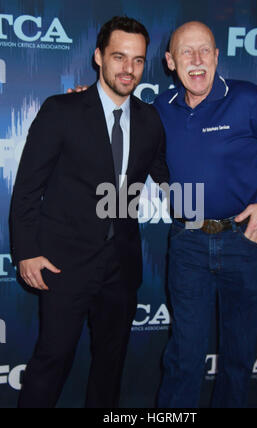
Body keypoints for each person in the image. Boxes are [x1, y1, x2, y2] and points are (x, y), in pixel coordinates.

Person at [10, 16, 168, 408]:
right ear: (98, 57)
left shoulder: (150, 120)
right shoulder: (61, 110)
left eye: (136, 60)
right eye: (118, 57)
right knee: (52, 361)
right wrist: (26, 251)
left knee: (110, 366)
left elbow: (170, 179)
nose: (128, 69)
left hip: (122, 266)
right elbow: (28, 187)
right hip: (64, 264)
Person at [153, 21, 257, 408]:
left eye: (205, 50)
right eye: (186, 51)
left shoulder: (248, 99)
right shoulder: (159, 109)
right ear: (170, 61)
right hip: (187, 245)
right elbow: (117, 121)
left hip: (244, 242)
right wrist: (87, 99)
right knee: (184, 359)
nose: (197, 60)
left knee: (237, 360)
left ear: (218, 56)